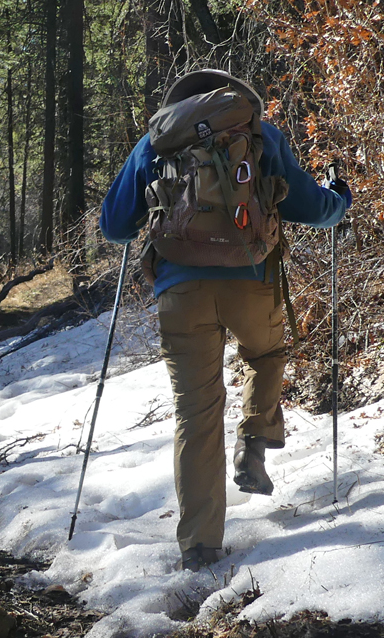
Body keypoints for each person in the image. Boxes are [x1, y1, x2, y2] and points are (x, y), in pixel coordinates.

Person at [99, 70, 352, 571]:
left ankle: (200, 545)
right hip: (250, 278)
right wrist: (338, 199)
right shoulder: (257, 130)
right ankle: (254, 439)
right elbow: (309, 206)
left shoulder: (155, 140)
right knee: (265, 353)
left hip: (181, 291)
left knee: (195, 412)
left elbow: (113, 226)